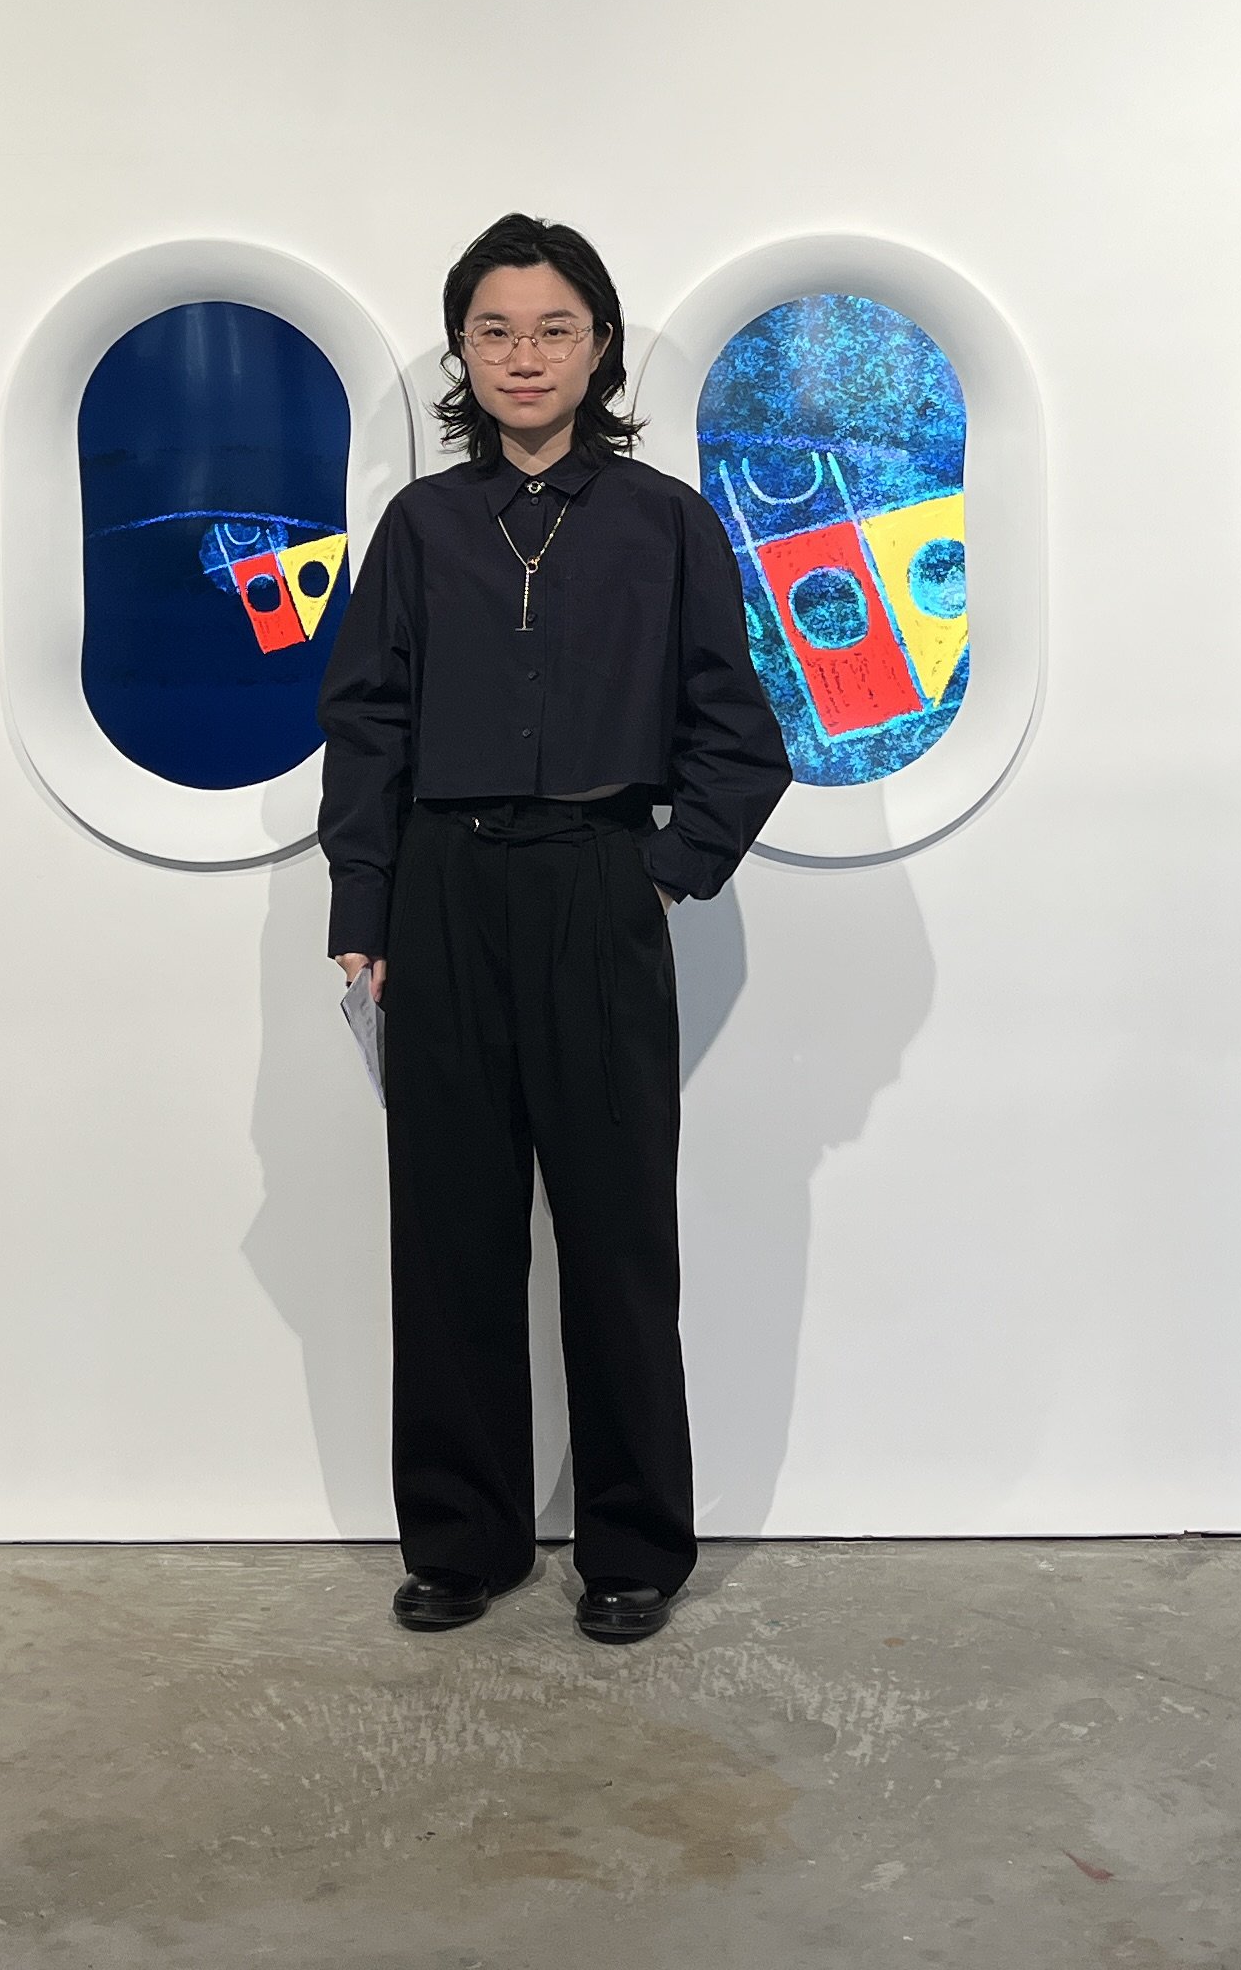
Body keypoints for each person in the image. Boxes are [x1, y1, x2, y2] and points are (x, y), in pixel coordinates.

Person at [318, 213, 792, 1646]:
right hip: (446, 897)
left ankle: (635, 1549)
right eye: (496, 332)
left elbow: (740, 736)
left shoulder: (664, 524)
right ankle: (462, 1543)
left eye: (555, 329)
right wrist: (363, 900)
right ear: (464, 351)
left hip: (599, 887)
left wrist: (658, 873)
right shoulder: (421, 530)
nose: (525, 357)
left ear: (599, 346)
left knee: (615, 1236)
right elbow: (367, 726)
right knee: (448, 1234)